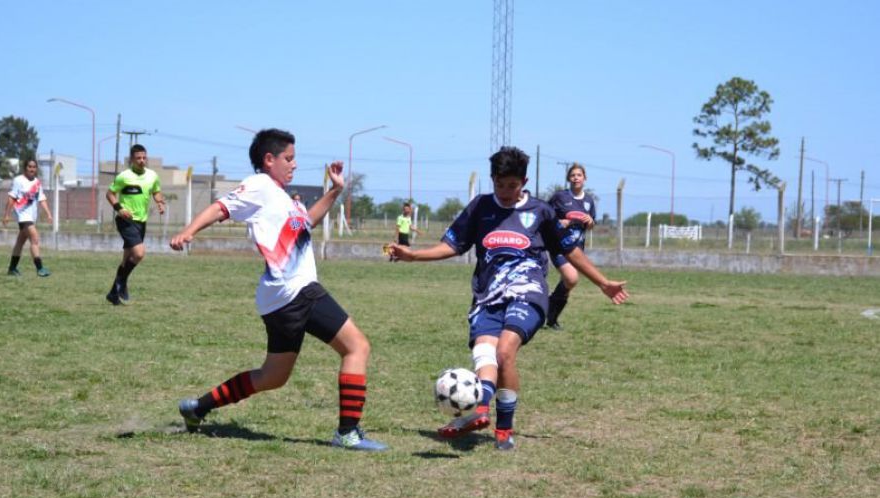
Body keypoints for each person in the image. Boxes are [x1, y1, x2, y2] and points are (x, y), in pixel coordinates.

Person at [389, 147, 627, 450]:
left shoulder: (540, 211)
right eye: (499, 185)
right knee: (484, 353)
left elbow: (570, 250)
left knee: (505, 352)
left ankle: (499, 425)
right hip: (488, 296)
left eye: (512, 186)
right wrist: (414, 256)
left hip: (528, 292)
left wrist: (603, 282)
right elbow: (452, 245)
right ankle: (483, 414)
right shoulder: (480, 207)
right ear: (492, 180)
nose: (505, 192)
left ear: (524, 181)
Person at [170, 128, 386, 452]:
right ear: (268, 160)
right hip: (297, 291)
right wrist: (188, 231)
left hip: (279, 299)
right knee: (357, 347)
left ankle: (197, 408)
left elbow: (307, 222)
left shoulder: (282, 198)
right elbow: (220, 207)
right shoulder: (259, 186)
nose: (294, 164)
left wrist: (334, 191)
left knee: (273, 376)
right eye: (289, 158)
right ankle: (348, 432)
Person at [104, 144, 165, 305]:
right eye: (138, 158)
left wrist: (159, 201)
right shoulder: (124, 176)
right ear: (131, 159)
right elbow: (110, 194)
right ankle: (121, 283)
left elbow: (156, 190)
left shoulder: (152, 175)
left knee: (126, 259)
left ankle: (113, 293)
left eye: (144, 157)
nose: (142, 161)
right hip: (126, 220)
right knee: (138, 254)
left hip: (141, 222)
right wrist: (119, 209)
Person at [546, 162, 597, 329]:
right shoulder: (560, 197)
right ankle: (548, 308)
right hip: (559, 246)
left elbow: (590, 224)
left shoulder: (589, 201)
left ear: (585, 178)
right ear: (569, 178)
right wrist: (559, 222)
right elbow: (545, 216)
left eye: (579, 175)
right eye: (573, 175)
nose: (576, 178)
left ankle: (551, 317)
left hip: (577, 248)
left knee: (569, 283)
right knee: (571, 278)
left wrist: (590, 222)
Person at [2, 158, 52, 276]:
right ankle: (40, 268)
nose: (32, 169)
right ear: (25, 168)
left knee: (20, 242)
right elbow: (11, 198)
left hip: (31, 217)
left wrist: (48, 213)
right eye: (29, 166)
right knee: (34, 238)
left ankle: (12, 268)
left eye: (34, 167)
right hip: (22, 216)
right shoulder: (18, 180)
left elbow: (42, 199)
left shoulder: (37, 183)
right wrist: (7, 215)